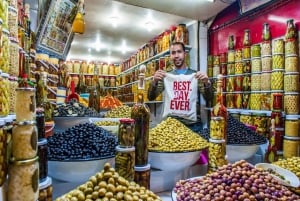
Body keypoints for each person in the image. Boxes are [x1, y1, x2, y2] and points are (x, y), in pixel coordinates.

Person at [147, 42, 213, 132]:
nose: (176, 56)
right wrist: (154, 82)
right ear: (170, 56)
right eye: (173, 53)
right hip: (171, 125)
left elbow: (209, 97)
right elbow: (151, 97)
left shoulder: (195, 75)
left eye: (179, 52)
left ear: (185, 54)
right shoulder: (166, 76)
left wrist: (207, 83)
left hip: (192, 126)